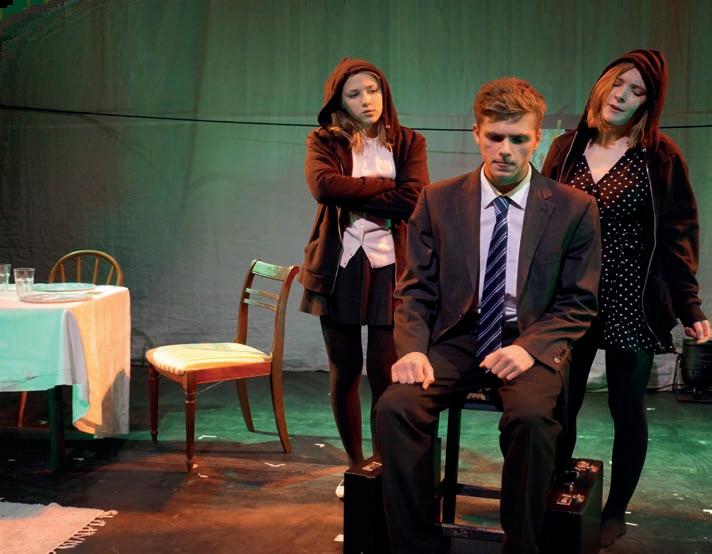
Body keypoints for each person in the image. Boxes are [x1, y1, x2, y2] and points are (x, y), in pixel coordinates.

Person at [375, 77, 601, 554]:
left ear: (536, 139)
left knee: (531, 421)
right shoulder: (438, 200)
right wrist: (412, 350)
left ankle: (522, 547)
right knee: (396, 408)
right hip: (460, 335)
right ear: (477, 133)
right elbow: (415, 287)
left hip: (528, 337)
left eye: (518, 139)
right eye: (495, 137)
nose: (505, 150)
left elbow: (578, 301)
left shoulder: (573, 208)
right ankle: (414, 546)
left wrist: (529, 349)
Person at [541, 49, 710, 547]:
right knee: (561, 403)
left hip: (632, 299)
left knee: (626, 406)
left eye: (637, 91)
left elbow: (678, 233)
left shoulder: (660, 156)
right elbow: (542, 222)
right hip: (571, 297)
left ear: (648, 104)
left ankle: (615, 509)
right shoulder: (567, 148)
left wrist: (689, 304)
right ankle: (556, 492)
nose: (622, 96)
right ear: (601, 84)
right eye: (618, 83)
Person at [298, 58, 429, 498]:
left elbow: (414, 198)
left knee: (386, 373)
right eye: (354, 94)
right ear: (340, 101)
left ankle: (381, 464)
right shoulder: (324, 140)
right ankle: (355, 466)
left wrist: (355, 190)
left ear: (383, 92)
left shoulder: (409, 142)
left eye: (372, 90)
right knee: (345, 369)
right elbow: (324, 187)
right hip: (340, 266)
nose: (366, 100)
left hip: (392, 267)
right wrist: (385, 188)